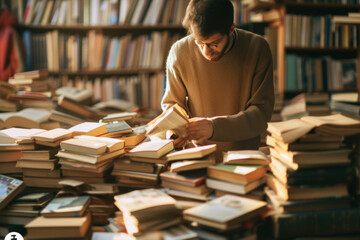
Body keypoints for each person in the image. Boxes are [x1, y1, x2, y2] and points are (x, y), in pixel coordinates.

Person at [161, 0, 275, 161]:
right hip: (195, 159)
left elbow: (261, 114)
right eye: (200, 43)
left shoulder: (257, 48)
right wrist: (174, 132)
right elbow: (172, 105)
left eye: (214, 44)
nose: (206, 52)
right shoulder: (179, 52)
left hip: (243, 159)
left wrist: (214, 128)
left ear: (231, 29)